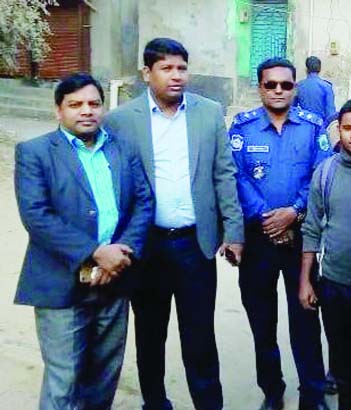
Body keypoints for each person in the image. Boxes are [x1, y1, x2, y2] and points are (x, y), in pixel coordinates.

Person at [104, 38, 244, 410]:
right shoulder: (121, 121)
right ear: (147, 74)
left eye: (181, 67)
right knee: (150, 334)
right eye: (166, 68)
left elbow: (223, 174)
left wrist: (234, 231)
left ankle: (208, 404)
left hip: (194, 246)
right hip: (145, 246)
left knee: (199, 336)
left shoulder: (209, 113)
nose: (176, 76)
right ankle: (155, 402)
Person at [14, 72, 154, 409]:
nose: (86, 111)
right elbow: (37, 215)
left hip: (115, 279)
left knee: (104, 377)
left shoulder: (123, 148)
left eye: (93, 103)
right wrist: (94, 253)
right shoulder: (35, 152)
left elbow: (144, 203)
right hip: (61, 283)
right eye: (75, 105)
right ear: (58, 111)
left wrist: (120, 253)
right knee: (64, 381)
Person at [229, 57, 330, 410]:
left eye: (285, 85)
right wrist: (268, 220)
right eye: (270, 84)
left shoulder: (313, 127)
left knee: (305, 319)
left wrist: (293, 213)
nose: (278, 90)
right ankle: (272, 390)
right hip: (259, 239)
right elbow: (235, 177)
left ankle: (313, 394)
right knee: (262, 322)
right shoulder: (242, 128)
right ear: (260, 87)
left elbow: (320, 177)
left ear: (295, 88)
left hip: (301, 239)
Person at [300, 99, 351, 410]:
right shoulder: (325, 172)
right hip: (333, 285)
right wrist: (305, 281)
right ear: (338, 130)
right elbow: (312, 227)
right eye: (347, 128)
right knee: (343, 365)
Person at [295, 56, 336, 120]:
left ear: (306, 69)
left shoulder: (298, 86)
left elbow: (292, 108)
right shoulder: (326, 86)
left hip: (304, 124)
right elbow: (330, 112)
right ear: (319, 69)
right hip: (320, 125)